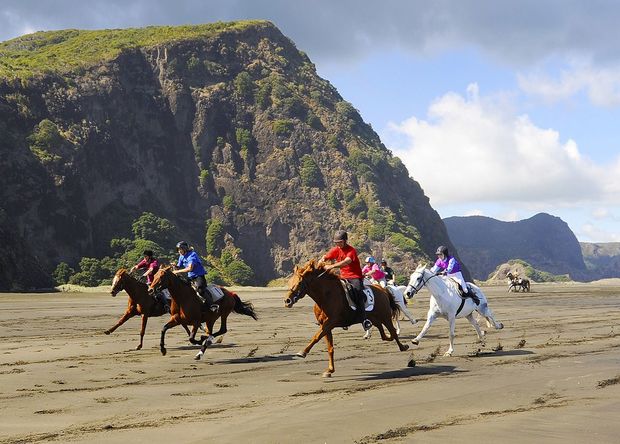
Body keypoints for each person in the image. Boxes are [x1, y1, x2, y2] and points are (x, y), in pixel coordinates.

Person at [320, 230, 372, 331]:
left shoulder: (351, 250)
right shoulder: (336, 249)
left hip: (355, 277)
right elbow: (327, 256)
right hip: (343, 277)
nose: (338, 244)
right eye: (336, 242)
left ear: (345, 241)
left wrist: (331, 266)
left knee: (358, 293)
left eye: (340, 242)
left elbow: (346, 262)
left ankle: (364, 319)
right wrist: (323, 259)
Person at [173, 241, 218, 312]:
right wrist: (175, 266)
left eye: (180, 249)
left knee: (200, 290)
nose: (179, 251)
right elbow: (178, 266)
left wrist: (177, 271)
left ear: (184, 249)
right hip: (190, 277)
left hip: (198, 276)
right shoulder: (181, 256)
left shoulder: (192, 255)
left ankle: (212, 305)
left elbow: (190, 268)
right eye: (178, 250)